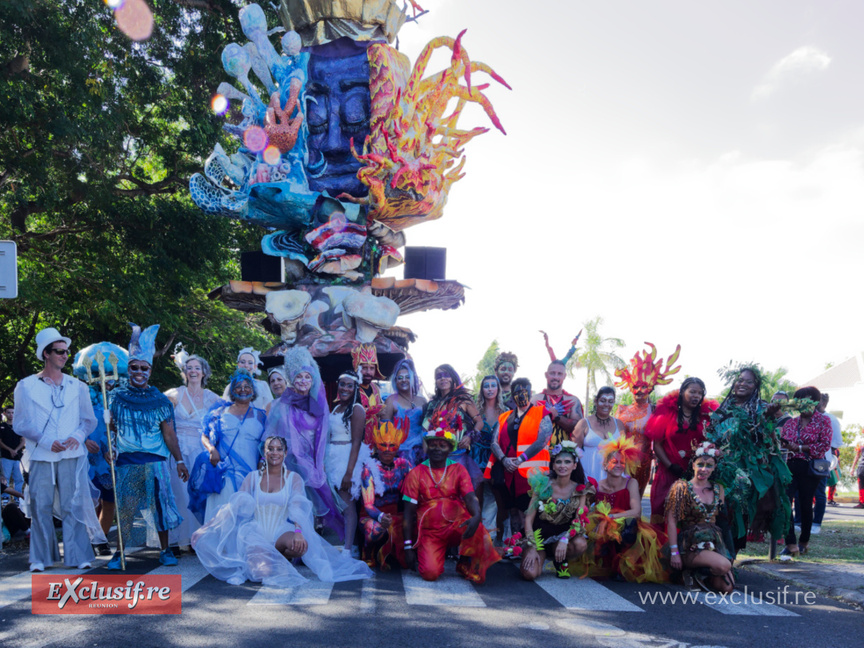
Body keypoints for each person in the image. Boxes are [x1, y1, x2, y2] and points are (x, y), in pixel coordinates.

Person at [192, 436, 372, 587]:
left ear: (285, 453)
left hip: (279, 531)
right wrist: (210, 526)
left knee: (300, 546)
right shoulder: (253, 477)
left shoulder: (293, 478)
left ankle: (275, 557)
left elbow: (298, 508)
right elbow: (235, 505)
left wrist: (299, 532)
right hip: (255, 532)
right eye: (271, 449)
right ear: (265, 452)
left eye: (279, 449)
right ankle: (255, 563)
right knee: (263, 574)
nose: (275, 452)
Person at [13, 327, 105, 571]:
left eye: (67, 351)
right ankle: (40, 558)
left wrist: (77, 436)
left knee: (71, 504)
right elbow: (20, 422)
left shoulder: (78, 386)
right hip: (41, 454)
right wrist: (44, 440)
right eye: (59, 351)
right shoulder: (26, 385)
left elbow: (88, 420)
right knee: (40, 505)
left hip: (71, 453)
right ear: (46, 354)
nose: (65, 355)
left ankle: (78, 555)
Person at [108, 323, 188, 569]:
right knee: (126, 510)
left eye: (144, 368)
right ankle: (119, 553)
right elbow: (111, 431)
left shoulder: (161, 401)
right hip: (126, 461)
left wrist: (180, 460)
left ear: (150, 371)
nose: (139, 372)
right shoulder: (114, 397)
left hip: (155, 461)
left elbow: (169, 434)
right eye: (134, 367)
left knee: (161, 508)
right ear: (128, 369)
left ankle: (165, 551)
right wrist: (109, 446)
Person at [402, 423, 501, 584]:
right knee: (429, 573)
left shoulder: (459, 470)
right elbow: (408, 511)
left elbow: (470, 497)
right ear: (427, 447)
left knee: (478, 529)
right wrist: (407, 546)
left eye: (442, 445)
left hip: (455, 525)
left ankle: (464, 561)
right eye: (433, 445)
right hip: (429, 531)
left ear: (449, 449)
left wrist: (476, 516)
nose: (437, 449)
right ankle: (432, 553)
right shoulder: (416, 473)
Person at [707, 365, 791, 554]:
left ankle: (731, 555)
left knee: (737, 511)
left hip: (745, 470)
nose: (742, 384)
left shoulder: (762, 407)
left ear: (756, 385)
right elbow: (712, 434)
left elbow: (770, 439)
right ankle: (715, 552)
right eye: (739, 380)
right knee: (716, 510)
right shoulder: (723, 407)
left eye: (748, 381)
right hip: (719, 467)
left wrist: (767, 418)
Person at [268, 346, 344, 538]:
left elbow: (324, 435)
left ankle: (321, 541)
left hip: (315, 461)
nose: (303, 381)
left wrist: (318, 463)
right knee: (295, 502)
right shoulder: (283, 403)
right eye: (299, 377)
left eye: (307, 377)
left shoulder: (318, 403)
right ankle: (296, 546)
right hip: (291, 462)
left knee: (322, 500)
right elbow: (272, 435)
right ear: (292, 380)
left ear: (313, 379)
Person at [72, 342, 128, 555]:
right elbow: (72, 423)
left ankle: (101, 539)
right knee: (90, 500)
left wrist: (115, 447)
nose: (107, 379)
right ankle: (91, 538)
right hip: (86, 455)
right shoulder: (82, 395)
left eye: (111, 375)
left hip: (110, 456)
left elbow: (122, 428)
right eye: (101, 373)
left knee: (109, 499)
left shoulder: (119, 397)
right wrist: (84, 440)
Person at [484, 378, 554, 540]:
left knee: (529, 512)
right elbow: (494, 441)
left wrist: (520, 459)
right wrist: (504, 460)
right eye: (517, 392)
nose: (521, 395)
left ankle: (529, 548)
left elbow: (542, 439)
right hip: (508, 473)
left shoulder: (542, 413)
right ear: (512, 396)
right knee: (511, 511)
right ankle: (511, 546)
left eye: (524, 391)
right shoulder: (504, 417)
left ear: (531, 392)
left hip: (533, 476)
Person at [196, 370, 267, 524]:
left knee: (247, 515)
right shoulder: (219, 412)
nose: (243, 389)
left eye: (247, 386)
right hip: (224, 471)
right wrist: (211, 449)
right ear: (232, 391)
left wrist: (263, 460)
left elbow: (266, 442)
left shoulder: (260, 416)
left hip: (250, 473)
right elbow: (204, 434)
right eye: (238, 387)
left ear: (253, 391)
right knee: (223, 514)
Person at [164, 353, 220, 549]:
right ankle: (179, 540)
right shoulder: (174, 394)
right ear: (184, 372)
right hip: (177, 449)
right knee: (178, 492)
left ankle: (199, 539)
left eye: (197, 368)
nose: (193, 371)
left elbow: (222, 421)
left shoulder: (213, 398)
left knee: (197, 493)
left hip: (200, 449)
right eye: (189, 368)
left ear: (204, 372)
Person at [645, 378, 718, 523]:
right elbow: (657, 444)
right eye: (692, 392)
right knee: (663, 513)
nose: (696, 396)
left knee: (690, 515)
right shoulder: (666, 412)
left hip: (695, 475)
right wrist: (670, 466)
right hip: (667, 473)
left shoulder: (705, 417)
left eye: (699, 393)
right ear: (682, 392)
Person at [665, 442, 734, 594]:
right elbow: (671, 521)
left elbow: (722, 521)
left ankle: (700, 575)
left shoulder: (718, 488)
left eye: (709, 465)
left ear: (714, 468)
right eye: (700, 464)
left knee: (727, 588)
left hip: (714, 543)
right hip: (690, 545)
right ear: (693, 465)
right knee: (723, 566)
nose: (704, 469)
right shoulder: (681, 488)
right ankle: (688, 570)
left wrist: (729, 551)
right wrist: (674, 552)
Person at [614, 343, 682, 497]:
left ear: (650, 387)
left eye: (644, 387)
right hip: (620, 460)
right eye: (636, 386)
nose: (639, 391)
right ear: (631, 387)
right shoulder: (621, 410)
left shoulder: (655, 410)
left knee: (635, 497)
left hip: (643, 462)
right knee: (619, 496)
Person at [520, 440, 594, 580]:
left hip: (562, 536)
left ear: (574, 465)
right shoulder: (543, 485)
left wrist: (565, 539)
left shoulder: (580, 490)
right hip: (539, 537)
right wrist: (531, 546)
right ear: (553, 465)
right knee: (529, 574)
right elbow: (529, 518)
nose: (562, 466)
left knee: (580, 544)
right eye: (558, 462)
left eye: (567, 462)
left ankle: (560, 560)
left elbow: (578, 521)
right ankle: (536, 554)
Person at [778, 387, 833, 558]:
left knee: (805, 504)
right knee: (786, 502)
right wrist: (784, 443)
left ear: (815, 402)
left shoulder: (824, 421)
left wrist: (801, 447)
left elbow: (824, 445)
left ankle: (804, 541)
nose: (803, 404)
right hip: (790, 465)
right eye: (799, 400)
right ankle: (791, 543)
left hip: (811, 467)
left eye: (807, 400)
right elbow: (783, 441)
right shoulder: (790, 422)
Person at [326, 369, 371, 555]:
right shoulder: (335, 408)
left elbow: (356, 443)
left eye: (349, 385)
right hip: (331, 457)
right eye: (342, 384)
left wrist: (349, 472)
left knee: (347, 504)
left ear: (355, 388)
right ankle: (342, 542)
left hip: (347, 458)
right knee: (336, 504)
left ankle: (348, 549)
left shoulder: (357, 409)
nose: (345, 388)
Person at [422, 364, 486, 488]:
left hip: (459, 456)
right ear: (435, 381)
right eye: (439, 376)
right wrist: (426, 458)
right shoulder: (432, 404)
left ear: (453, 378)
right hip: (437, 457)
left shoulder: (463, 400)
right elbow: (425, 431)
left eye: (446, 375)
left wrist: (470, 437)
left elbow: (480, 422)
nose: (443, 378)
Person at [360, 421, 413, 569]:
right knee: (375, 529)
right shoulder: (369, 468)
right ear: (377, 446)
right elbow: (368, 504)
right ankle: (367, 551)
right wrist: (381, 517)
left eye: (392, 445)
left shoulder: (404, 465)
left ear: (398, 446)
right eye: (383, 445)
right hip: (372, 515)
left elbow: (414, 490)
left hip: (397, 513)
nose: (388, 450)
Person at [379, 358, 427, 466]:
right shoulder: (391, 400)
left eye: (407, 377)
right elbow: (384, 431)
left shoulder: (422, 400)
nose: (403, 380)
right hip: (400, 453)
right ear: (395, 381)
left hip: (422, 451)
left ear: (413, 379)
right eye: (400, 378)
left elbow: (428, 427)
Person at [573, 387, 623, 483]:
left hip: (612, 476)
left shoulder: (619, 424)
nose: (606, 405)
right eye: (603, 401)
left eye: (610, 401)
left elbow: (623, 452)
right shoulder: (583, 423)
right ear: (596, 401)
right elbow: (574, 452)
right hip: (588, 474)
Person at [532, 359, 584, 445]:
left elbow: (578, 429)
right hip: (539, 453)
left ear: (564, 376)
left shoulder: (573, 400)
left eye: (559, 374)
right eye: (552, 373)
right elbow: (527, 426)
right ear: (546, 375)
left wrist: (557, 417)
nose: (555, 377)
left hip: (564, 455)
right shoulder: (535, 399)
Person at [812, 392, 842, 525]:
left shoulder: (831, 419)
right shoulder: (807, 417)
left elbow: (836, 443)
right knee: (801, 492)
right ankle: (799, 521)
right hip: (804, 458)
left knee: (819, 492)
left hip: (822, 459)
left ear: (823, 403)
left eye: (815, 401)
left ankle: (817, 522)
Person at [351, 343, 386, 446]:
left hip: (374, 443)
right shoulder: (350, 387)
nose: (368, 372)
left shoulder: (375, 388)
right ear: (357, 367)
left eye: (371, 368)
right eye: (365, 368)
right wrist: (371, 410)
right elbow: (345, 414)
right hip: (355, 444)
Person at [0, 404, 23, 499]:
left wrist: (16, 450)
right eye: (8, 412)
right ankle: (5, 498)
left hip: (18, 457)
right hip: (5, 456)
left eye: (13, 412)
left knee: (19, 479)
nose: (11, 415)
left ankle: (19, 499)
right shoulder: (2, 426)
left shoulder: (19, 426)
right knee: (5, 478)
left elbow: (23, 440)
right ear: (5, 414)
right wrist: (10, 450)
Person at [850, 431, 864, 509]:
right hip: (861, 466)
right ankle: (862, 502)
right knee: (861, 485)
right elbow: (857, 455)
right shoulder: (860, 442)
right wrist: (852, 468)